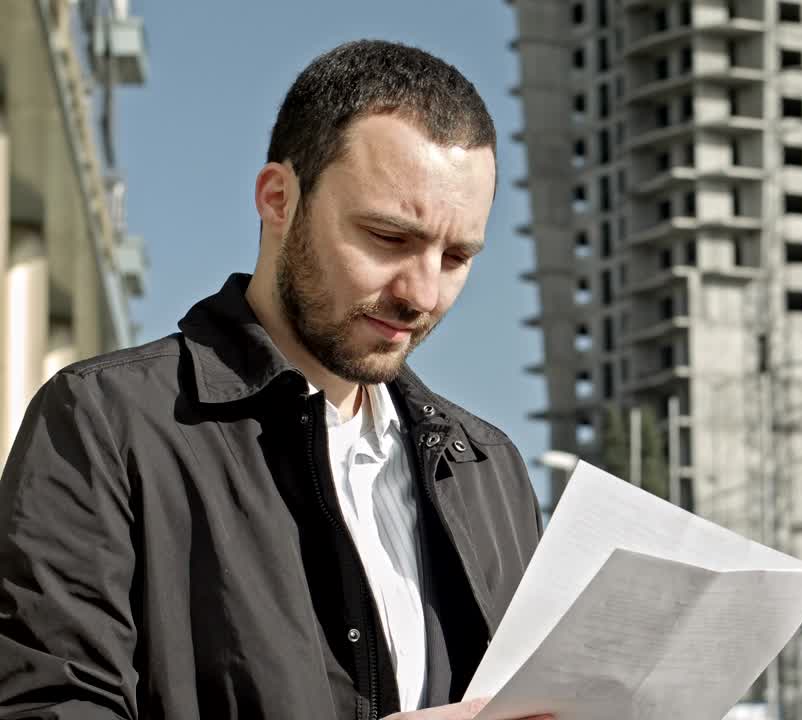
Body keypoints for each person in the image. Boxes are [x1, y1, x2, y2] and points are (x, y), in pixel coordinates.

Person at [0, 40, 551, 720]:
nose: (423, 293)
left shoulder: (489, 470)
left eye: (457, 256)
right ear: (279, 199)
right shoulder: (105, 424)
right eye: (388, 238)